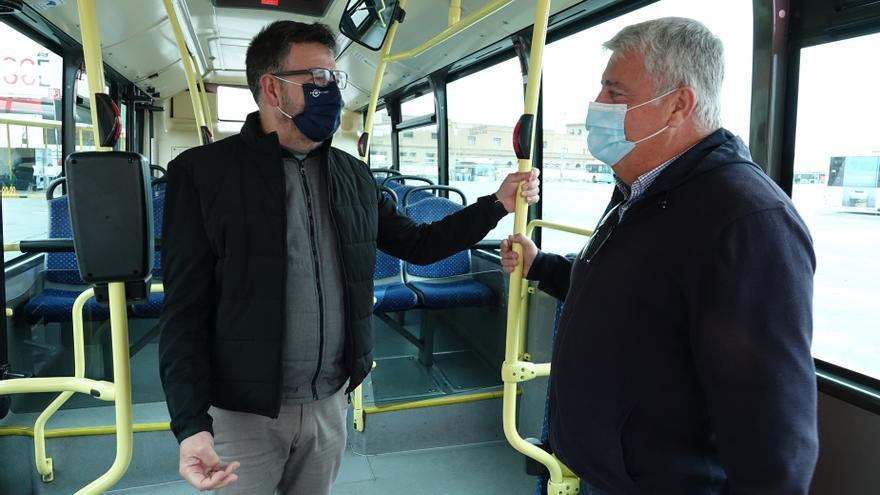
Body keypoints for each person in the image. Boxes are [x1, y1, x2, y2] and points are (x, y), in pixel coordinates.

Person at [158, 20, 540, 494]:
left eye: (335, 79)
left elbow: (419, 245)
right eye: (317, 80)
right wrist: (191, 424)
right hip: (244, 410)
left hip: (330, 402)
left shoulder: (353, 176)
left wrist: (496, 205)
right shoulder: (203, 174)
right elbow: (183, 310)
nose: (331, 91)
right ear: (271, 88)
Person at [501, 17, 817, 494]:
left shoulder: (746, 221)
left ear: (678, 105)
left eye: (614, 93)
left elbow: (771, 425)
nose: (596, 106)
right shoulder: (641, 192)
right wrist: (542, 265)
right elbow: (630, 295)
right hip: (606, 475)